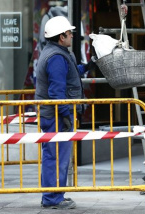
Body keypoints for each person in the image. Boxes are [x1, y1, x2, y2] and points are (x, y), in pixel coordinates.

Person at [35, 15, 92, 209]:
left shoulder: (55, 53)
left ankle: (54, 195)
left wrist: (87, 67)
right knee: (56, 155)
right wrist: (66, 116)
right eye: (69, 33)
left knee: (55, 155)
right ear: (61, 36)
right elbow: (57, 93)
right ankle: (52, 198)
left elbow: (69, 72)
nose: (72, 36)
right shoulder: (57, 57)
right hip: (56, 117)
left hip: (54, 115)